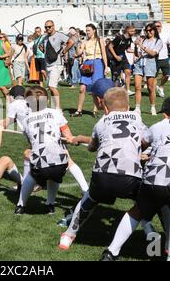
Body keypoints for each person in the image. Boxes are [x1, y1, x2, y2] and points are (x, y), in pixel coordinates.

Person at [100, 96, 170, 261]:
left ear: (165, 115)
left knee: (137, 211)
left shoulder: (159, 126)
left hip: (156, 180)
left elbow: (142, 144)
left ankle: (111, 252)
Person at [59, 87, 150, 250]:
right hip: (130, 177)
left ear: (105, 108)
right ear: (128, 106)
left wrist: (79, 139)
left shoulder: (102, 122)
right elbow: (147, 141)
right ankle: (153, 233)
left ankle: (68, 235)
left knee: (89, 198)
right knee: (147, 201)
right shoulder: (137, 119)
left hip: (103, 175)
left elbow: (92, 147)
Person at [15, 86, 75, 215]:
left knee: (32, 175)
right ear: (47, 101)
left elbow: (32, 142)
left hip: (40, 164)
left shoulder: (26, 120)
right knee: (55, 172)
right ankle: (50, 204)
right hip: (59, 164)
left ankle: (21, 205)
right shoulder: (56, 113)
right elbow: (68, 135)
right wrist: (70, 139)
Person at [71, 23, 108, 117]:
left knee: (95, 89)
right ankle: (79, 111)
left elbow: (104, 54)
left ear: (94, 30)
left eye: (89, 30)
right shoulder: (84, 41)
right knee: (82, 88)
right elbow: (79, 52)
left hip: (98, 63)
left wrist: (106, 67)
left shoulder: (99, 40)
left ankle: (95, 110)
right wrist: (78, 48)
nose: (87, 32)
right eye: (86, 30)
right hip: (87, 64)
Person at [40, 20, 74, 109]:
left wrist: (65, 50)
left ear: (53, 26)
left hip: (57, 64)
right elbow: (42, 48)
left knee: (52, 86)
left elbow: (71, 42)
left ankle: (58, 108)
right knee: (51, 87)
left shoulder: (59, 35)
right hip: (48, 64)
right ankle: (53, 106)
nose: (48, 28)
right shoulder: (45, 38)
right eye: (46, 27)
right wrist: (42, 49)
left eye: (49, 26)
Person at [133, 23, 164, 116]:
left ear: (154, 31)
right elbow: (137, 54)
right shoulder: (143, 40)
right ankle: (137, 108)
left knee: (151, 88)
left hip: (150, 63)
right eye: (147, 31)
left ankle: (152, 107)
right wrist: (135, 46)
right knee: (137, 87)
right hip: (140, 63)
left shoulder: (158, 41)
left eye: (150, 30)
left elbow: (153, 54)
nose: (148, 32)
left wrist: (141, 46)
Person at [153, 21, 170, 98]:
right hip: (154, 59)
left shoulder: (166, 35)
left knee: (167, 75)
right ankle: (153, 92)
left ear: (161, 26)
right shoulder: (151, 35)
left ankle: (161, 87)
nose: (157, 27)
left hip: (164, 58)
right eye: (156, 26)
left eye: (159, 26)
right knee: (154, 77)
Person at [108, 25, 136, 95]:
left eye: (134, 31)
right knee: (116, 76)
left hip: (123, 58)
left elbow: (128, 49)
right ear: (127, 31)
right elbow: (110, 46)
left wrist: (137, 51)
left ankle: (127, 90)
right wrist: (116, 56)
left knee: (128, 72)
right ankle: (115, 91)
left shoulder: (130, 39)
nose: (133, 32)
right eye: (132, 31)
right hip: (115, 59)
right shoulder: (119, 38)